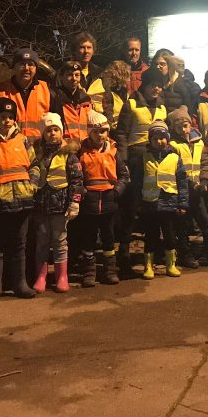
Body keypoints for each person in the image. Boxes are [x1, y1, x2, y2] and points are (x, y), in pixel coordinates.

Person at [114, 67, 168, 275]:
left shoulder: (162, 106)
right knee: (131, 207)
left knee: (154, 207)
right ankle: (124, 252)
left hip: (156, 160)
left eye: (159, 85)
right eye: (153, 84)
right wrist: (124, 161)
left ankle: (153, 251)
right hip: (136, 160)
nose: (156, 89)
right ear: (144, 85)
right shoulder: (132, 104)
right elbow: (121, 133)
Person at [0, 97, 37, 300]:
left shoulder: (23, 140)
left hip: (23, 199)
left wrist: (32, 185)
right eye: (2, 117)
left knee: (19, 244)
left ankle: (20, 283)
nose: (7, 121)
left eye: (10, 117)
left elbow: (34, 165)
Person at [72, 111, 130, 286]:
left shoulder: (114, 151)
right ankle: (89, 272)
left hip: (109, 201)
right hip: (89, 203)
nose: (100, 135)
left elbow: (124, 175)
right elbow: (76, 177)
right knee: (88, 238)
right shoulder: (80, 152)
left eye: (103, 131)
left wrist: (116, 192)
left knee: (109, 237)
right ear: (89, 132)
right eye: (96, 131)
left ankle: (110, 270)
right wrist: (83, 192)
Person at [29, 113, 83, 293]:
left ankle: (62, 276)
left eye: (55, 130)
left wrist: (74, 202)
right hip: (41, 206)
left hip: (61, 207)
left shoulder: (69, 155)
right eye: (48, 131)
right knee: (42, 241)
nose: (52, 133)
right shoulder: (37, 154)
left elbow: (77, 181)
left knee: (60, 241)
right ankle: (41, 276)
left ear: (61, 132)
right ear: (43, 134)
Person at [130, 120, 189, 279]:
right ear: (150, 140)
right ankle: (148, 266)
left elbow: (182, 182)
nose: (159, 141)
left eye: (162, 138)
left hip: (169, 204)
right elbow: (137, 182)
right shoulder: (144, 158)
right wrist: (137, 204)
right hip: (150, 204)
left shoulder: (175, 158)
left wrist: (182, 203)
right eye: (155, 138)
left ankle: (171, 265)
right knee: (150, 236)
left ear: (167, 139)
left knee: (170, 235)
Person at [167, 108, 208, 268]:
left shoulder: (199, 142)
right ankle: (186, 254)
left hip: (198, 191)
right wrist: (186, 184)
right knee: (182, 226)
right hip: (181, 192)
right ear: (174, 129)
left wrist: (204, 181)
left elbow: (205, 163)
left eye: (186, 126)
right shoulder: (173, 145)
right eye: (179, 127)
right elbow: (172, 168)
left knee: (206, 223)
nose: (184, 130)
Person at [0, 48, 54, 142]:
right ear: (14, 67)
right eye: (22, 64)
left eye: (31, 64)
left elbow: (57, 121)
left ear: (36, 68)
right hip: (11, 145)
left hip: (39, 147)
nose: (26, 68)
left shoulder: (47, 90)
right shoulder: (2, 91)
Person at [51, 60, 93, 141]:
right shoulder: (54, 98)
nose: (74, 78)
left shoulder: (86, 100)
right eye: (69, 75)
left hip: (84, 145)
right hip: (64, 145)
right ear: (61, 77)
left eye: (77, 75)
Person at [87, 60, 131, 127]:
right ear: (121, 75)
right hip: (103, 128)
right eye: (127, 76)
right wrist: (107, 126)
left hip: (117, 128)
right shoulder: (100, 84)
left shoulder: (123, 92)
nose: (129, 80)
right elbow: (96, 109)